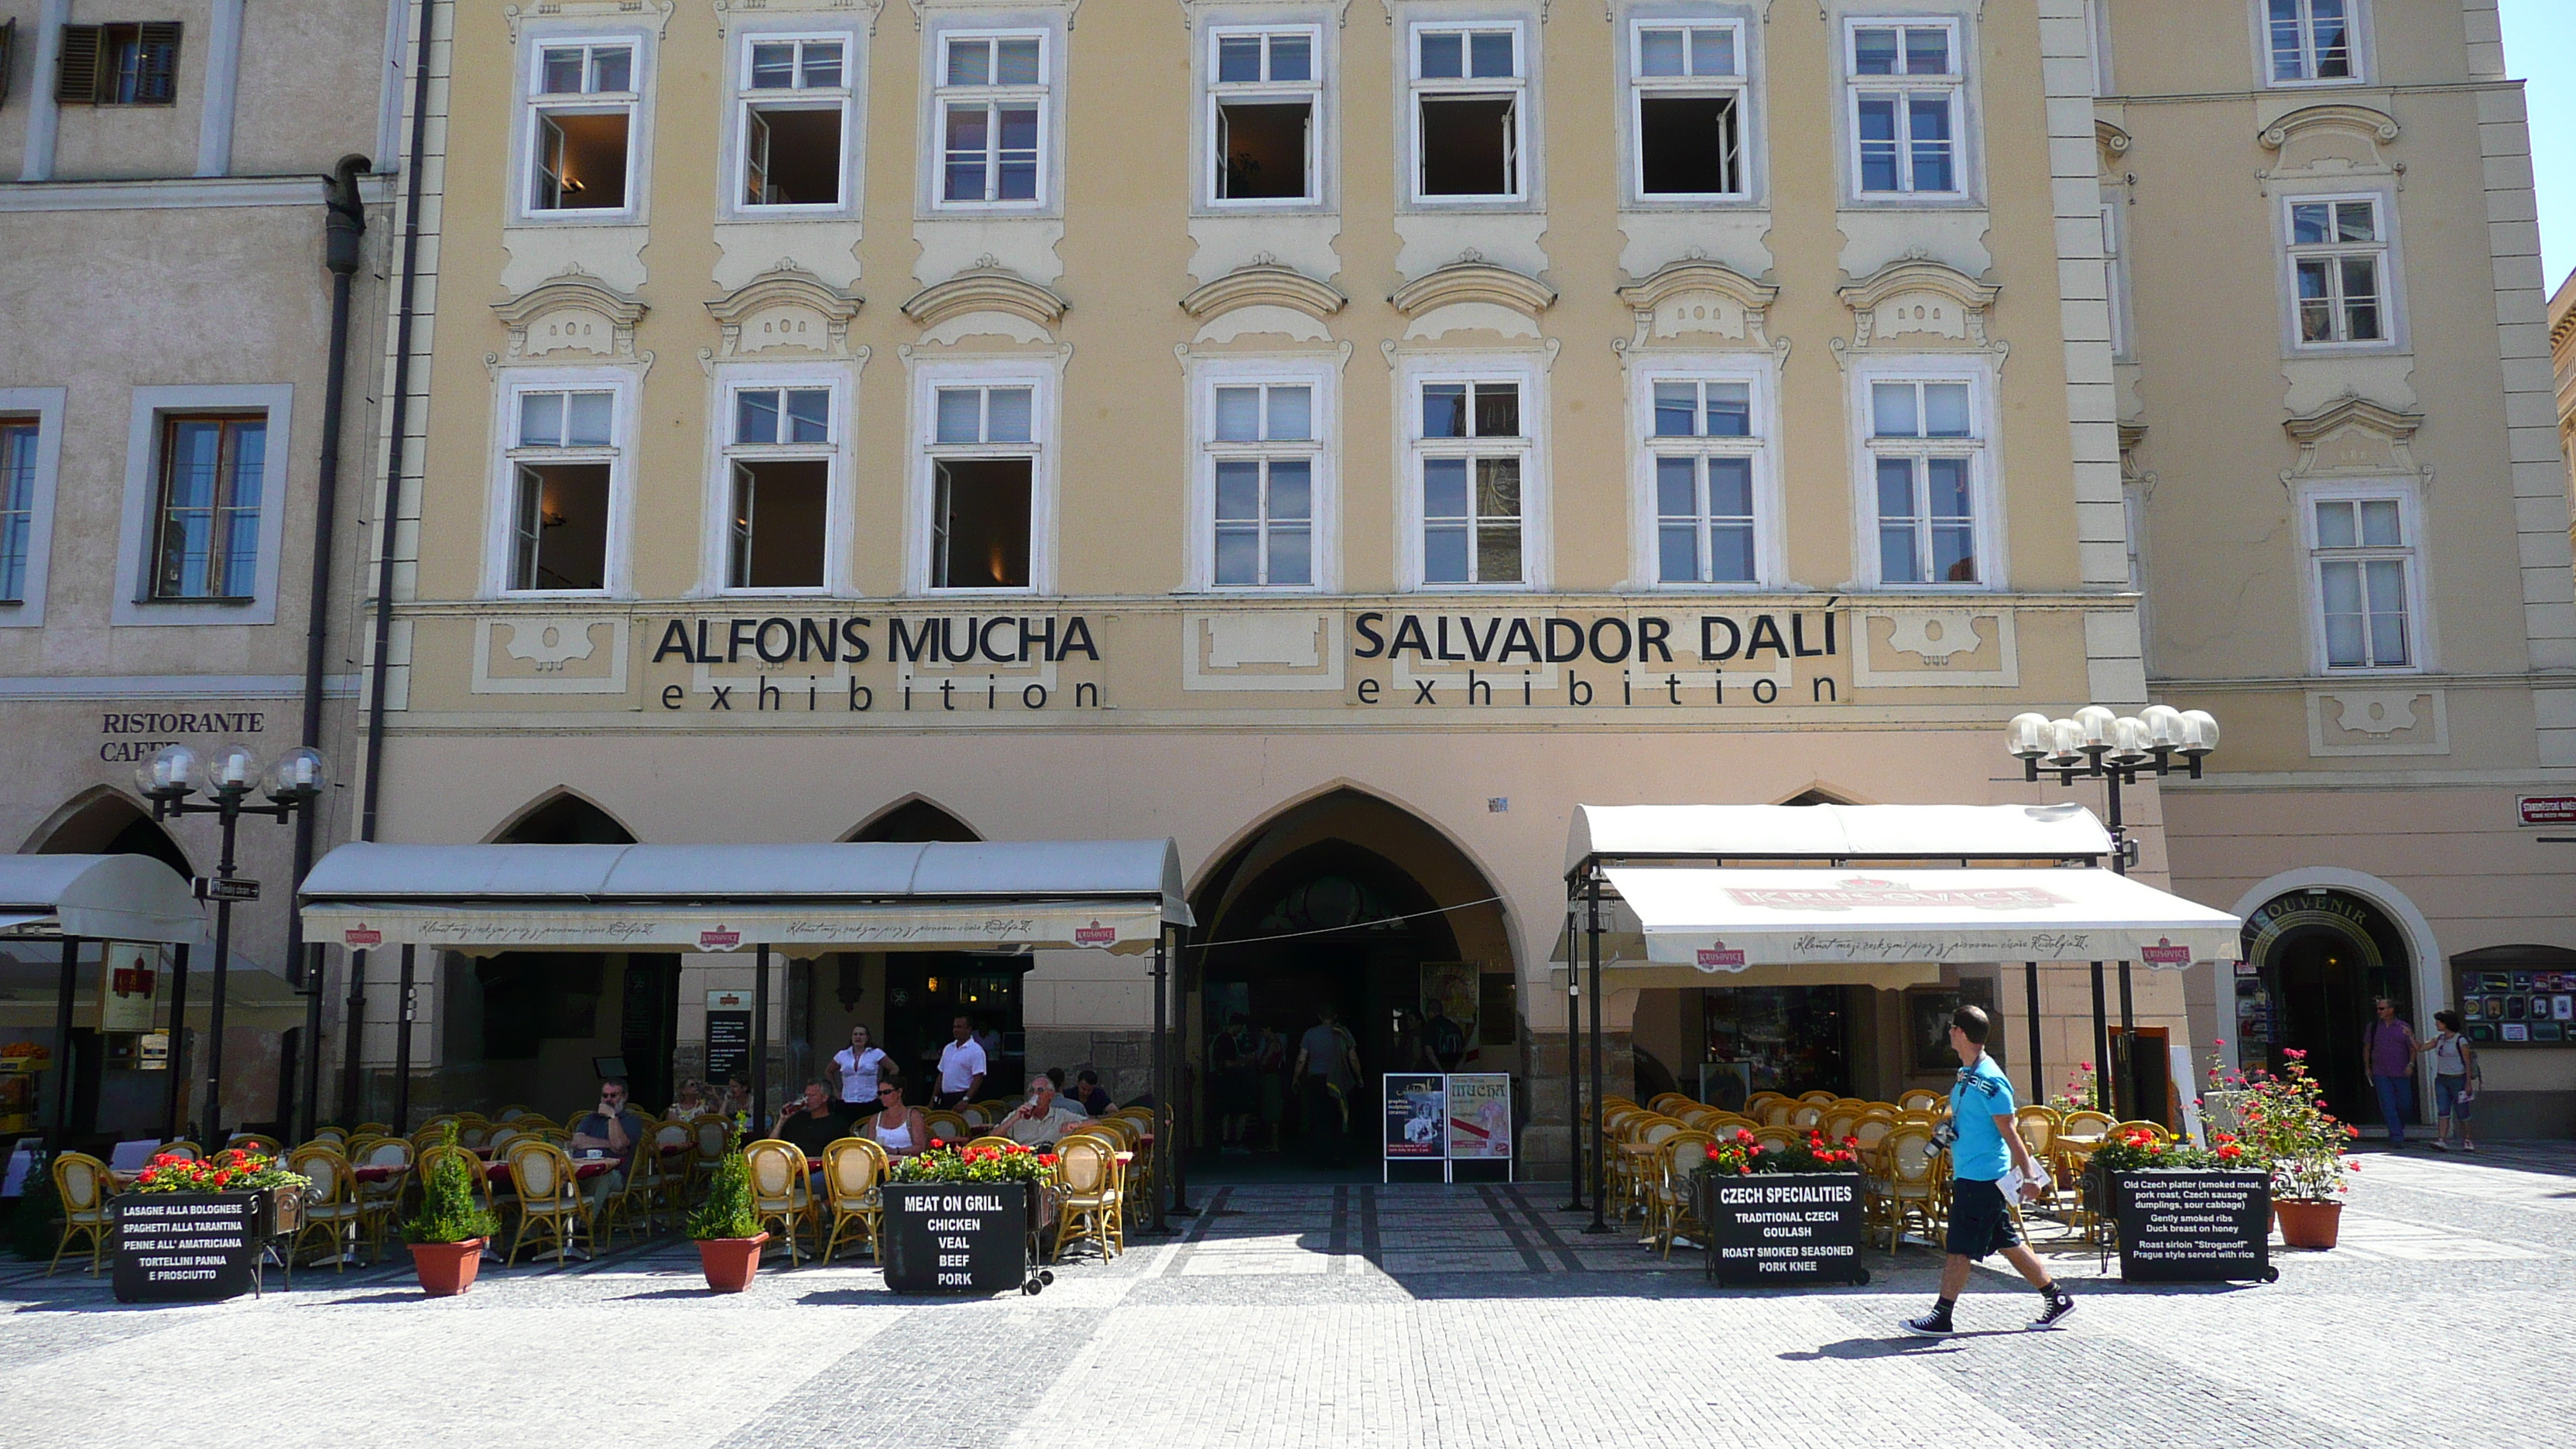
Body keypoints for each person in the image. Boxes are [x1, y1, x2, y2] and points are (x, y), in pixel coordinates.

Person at [1902, 1007, 2075, 1337]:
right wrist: (1949, 1126)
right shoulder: (1967, 1074)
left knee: (1959, 1248)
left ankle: (1942, 1316)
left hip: (1982, 1179)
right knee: (2008, 1243)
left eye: (1952, 1027)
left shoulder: (1991, 1081)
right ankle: (2057, 1298)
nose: (1949, 1031)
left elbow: (2011, 1132)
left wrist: (2030, 1177)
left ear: (1962, 1033)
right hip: (1971, 1173)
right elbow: (1970, 1116)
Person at [1291, 1005, 1362, 1169]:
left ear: (1319, 1016)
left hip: (1316, 1080)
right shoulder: (1343, 1033)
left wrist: (1295, 1078)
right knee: (1339, 1117)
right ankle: (1339, 1156)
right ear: (1335, 1016)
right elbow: (1353, 1058)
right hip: (1338, 1081)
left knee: (1319, 1119)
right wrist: (1359, 1078)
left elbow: (1302, 1059)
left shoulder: (1310, 1034)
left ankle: (1320, 1159)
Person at [568, 1077, 649, 1216]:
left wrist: (612, 1117)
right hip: (582, 1170)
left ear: (624, 1097)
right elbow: (576, 1141)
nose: (608, 1100)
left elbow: (619, 1144)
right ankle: (538, 1232)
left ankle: (584, 1226)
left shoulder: (632, 1121)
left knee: (603, 1178)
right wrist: (608, 1144)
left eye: (613, 1095)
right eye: (605, 1096)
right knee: (552, 1177)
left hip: (614, 1174)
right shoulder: (591, 1118)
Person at [2419, 1009, 2481, 1153]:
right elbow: (2421, 1048)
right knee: (2443, 1110)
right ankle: (2442, 1140)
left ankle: (2467, 1139)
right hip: (2442, 1079)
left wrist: (2468, 1083)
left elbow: (2467, 1063)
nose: (2436, 1024)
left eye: (2439, 1022)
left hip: (2458, 1079)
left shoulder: (2460, 1040)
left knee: (2462, 1112)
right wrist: (2410, 1037)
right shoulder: (2439, 1039)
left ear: (2447, 1023)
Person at [2366, 997, 2420, 1147]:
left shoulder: (2403, 1027)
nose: (2379, 1012)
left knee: (2405, 1104)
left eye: (2382, 1009)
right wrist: (2367, 1067)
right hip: (2381, 1072)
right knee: (2388, 1105)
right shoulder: (2374, 1027)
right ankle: (2397, 1136)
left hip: (2401, 1071)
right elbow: (2368, 1047)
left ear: (2391, 1010)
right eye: (2378, 1009)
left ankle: (2397, 1128)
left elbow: (2412, 1048)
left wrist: (2411, 1064)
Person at [772, 1079, 858, 1158]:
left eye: (812, 1096)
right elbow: (771, 1145)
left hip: (819, 1169)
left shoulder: (837, 1123)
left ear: (825, 1098)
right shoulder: (797, 1118)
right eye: (806, 1096)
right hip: (791, 1166)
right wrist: (782, 1120)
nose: (807, 1100)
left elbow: (837, 1157)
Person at [996, 1073, 1086, 1147]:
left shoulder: (1061, 1115)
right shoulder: (1018, 1115)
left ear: (1051, 1095)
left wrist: (1076, 1124)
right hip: (1026, 1162)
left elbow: (1096, 1123)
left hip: (1052, 1161)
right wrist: (1014, 1118)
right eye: (1032, 1090)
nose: (1035, 1095)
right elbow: (992, 1138)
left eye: (1040, 1090)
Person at [1212, 1012, 1258, 1153]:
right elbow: (1228, 1064)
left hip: (1224, 1080)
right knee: (1241, 1111)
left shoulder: (1220, 1039)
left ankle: (1227, 1142)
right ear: (1238, 1026)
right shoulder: (1227, 1040)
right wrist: (1246, 1061)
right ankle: (1236, 1142)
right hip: (1231, 1081)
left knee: (1227, 1112)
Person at [868, 1068, 931, 1159]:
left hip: (906, 1165)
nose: (882, 1097)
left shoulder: (913, 1116)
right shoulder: (875, 1119)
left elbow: (920, 1147)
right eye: (880, 1093)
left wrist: (896, 1151)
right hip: (881, 1165)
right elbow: (870, 1146)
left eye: (886, 1092)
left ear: (899, 1092)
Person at [830, 1025, 890, 1119]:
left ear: (867, 1037)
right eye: (855, 1034)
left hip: (870, 1100)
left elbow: (894, 1069)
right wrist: (835, 1090)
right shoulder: (842, 1055)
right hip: (847, 1100)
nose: (858, 1037)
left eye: (861, 1034)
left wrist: (882, 1089)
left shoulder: (876, 1053)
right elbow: (829, 1071)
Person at [935, 1014, 988, 1108]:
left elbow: (978, 1078)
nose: (955, 1030)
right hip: (945, 1098)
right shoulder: (948, 1048)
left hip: (963, 1097)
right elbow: (941, 1075)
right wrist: (934, 1099)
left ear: (968, 1029)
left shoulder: (976, 1050)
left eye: (959, 1027)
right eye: (954, 1027)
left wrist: (965, 1099)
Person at [1423, 999, 1468, 1074]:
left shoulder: (1429, 1026)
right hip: (1454, 1068)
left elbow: (1429, 1050)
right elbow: (1464, 1051)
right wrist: (1456, 1070)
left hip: (1435, 1071)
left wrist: (1441, 1071)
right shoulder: (1455, 1027)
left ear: (1429, 1013)